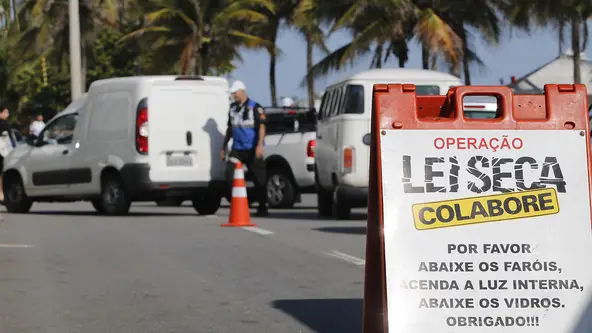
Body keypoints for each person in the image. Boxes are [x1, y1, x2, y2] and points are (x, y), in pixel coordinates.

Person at [221, 80, 268, 217]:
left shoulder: (255, 107)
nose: (233, 95)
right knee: (229, 175)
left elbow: (262, 127)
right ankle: (240, 201)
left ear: (242, 91)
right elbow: (230, 128)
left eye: (235, 93)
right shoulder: (232, 108)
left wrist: (260, 145)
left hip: (252, 148)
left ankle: (262, 206)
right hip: (237, 148)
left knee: (259, 179)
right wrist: (223, 146)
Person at [0, 107, 11, 203]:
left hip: (5, 151)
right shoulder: (2, 123)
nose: (8, 114)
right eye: (6, 112)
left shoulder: (6, 123)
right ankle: (1, 193)